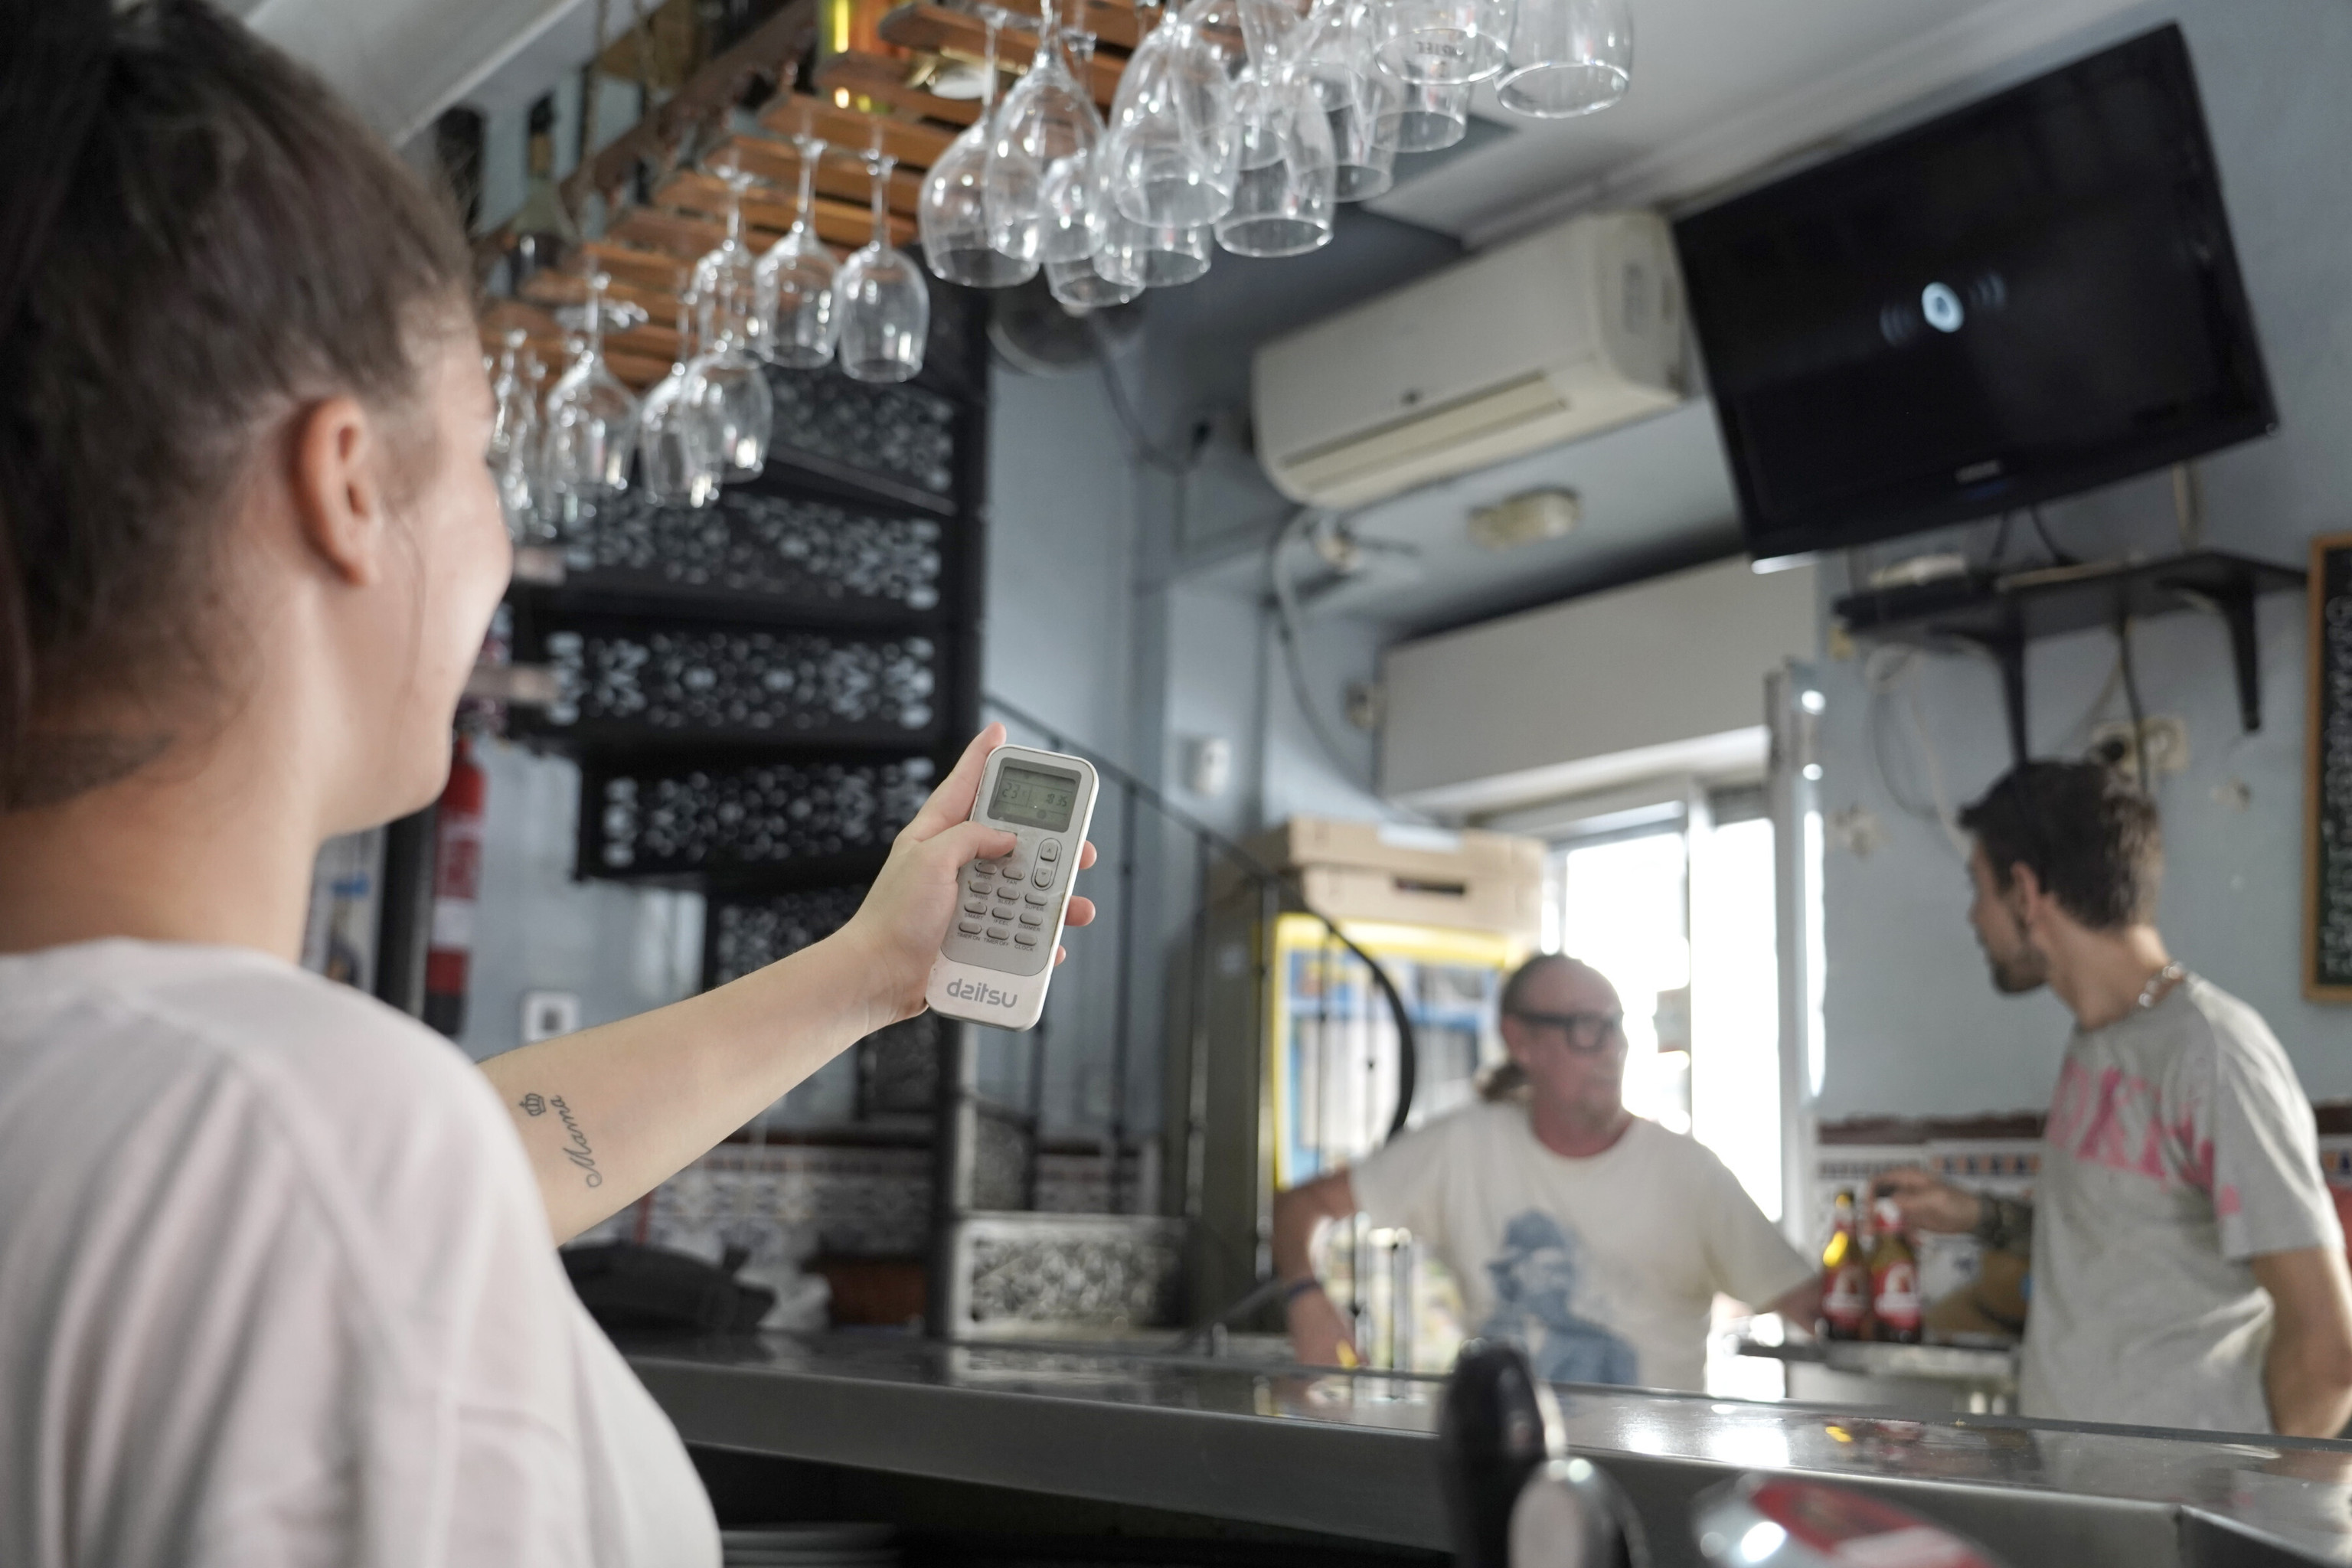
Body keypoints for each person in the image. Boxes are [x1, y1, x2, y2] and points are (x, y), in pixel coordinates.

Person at [0, 5, 1094, 1563]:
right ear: (351, 485)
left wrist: (867, 971)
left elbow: (462, 1148)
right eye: (486, 467)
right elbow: (362, 1155)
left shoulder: (186, 1110)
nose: (506, 558)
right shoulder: (297, 1142)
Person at [1874, 761, 2352, 1436]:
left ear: (2025, 890)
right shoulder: (2099, 1041)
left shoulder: (2212, 1052)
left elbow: (2330, 1354)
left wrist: (2248, 1519)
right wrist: (1979, 1215)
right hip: (2092, 1515)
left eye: (1977, 888)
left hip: (2186, 1526)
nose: (1974, 918)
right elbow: (2124, 1249)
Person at [1272, 953, 1819, 1390]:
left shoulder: (1689, 1174)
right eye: (1586, 1028)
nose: (1612, 1050)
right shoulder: (1465, 1147)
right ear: (1521, 1042)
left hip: (1649, 1486)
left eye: (1616, 1026)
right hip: (1508, 1471)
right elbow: (1302, 1207)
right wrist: (1306, 1299)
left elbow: (1813, 1307)